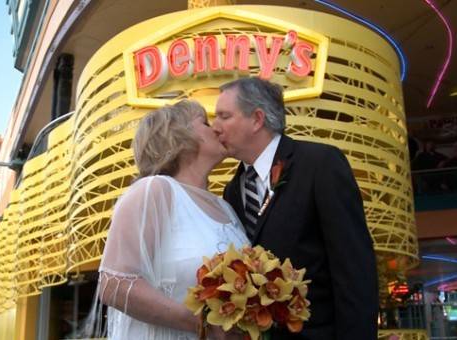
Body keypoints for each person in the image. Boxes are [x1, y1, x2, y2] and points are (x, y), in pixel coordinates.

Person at [212, 77, 378, 340]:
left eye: (223, 116)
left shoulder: (320, 164)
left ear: (257, 119)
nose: (215, 127)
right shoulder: (233, 189)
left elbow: (354, 268)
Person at [98, 100, 249, 339]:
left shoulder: (226, 208)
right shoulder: (154, 190)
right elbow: (114, 285)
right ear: (180, 136)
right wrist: (202, 324)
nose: (217, 129)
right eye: (205, 123)